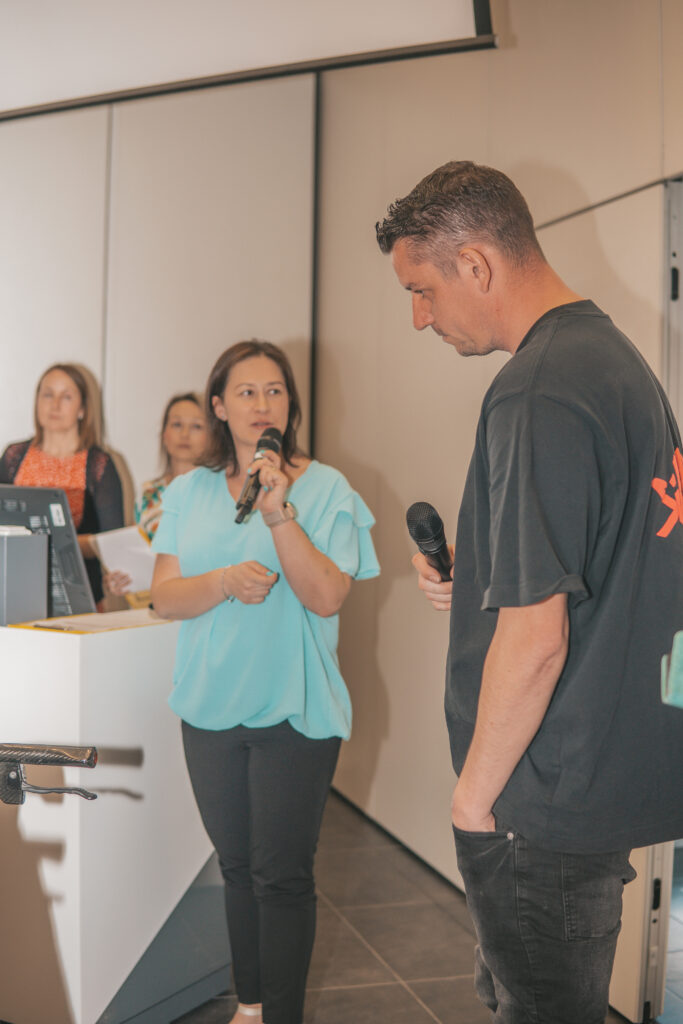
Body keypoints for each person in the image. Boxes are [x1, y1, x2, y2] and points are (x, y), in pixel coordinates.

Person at [376, 161, 683, 1024]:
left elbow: (539, 638)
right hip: (589, 778)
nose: (418, 317)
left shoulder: (537, 390)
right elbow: (608, 561)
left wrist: (472, 801)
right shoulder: (609, 363)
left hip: (541, 795)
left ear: (475, 264)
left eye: (422, 290)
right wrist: (482, 571)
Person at [150, 340, 379, 1024]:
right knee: (237, 868)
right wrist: (223, 581)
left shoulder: (326, 487)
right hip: (208, 708)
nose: (262, 404)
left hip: (294, 711)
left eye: (274, 390)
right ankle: (249, 1008)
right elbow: (164, 596)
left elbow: (327, 596)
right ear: (219, 406)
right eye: (245, 392)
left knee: (281, 876)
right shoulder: (188, 490)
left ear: (290, 404)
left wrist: (279, 512)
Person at [0, 362, 124, 606]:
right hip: (14, 592)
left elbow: (113, 542)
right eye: (48, 394)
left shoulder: (98, 464)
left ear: (83, 409)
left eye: (66, 397)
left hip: (79, 599)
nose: (55, 405)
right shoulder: (14, 456)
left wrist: (50, 541)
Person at [104, 392, 207, 595]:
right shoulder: (148, 493)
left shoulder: (218, 491)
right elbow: (134, 555)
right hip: (153, 603)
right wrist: (120, 578)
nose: (185, 434)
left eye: (196, 426)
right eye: (177, 424)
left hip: (202, 599)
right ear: (164, 435)